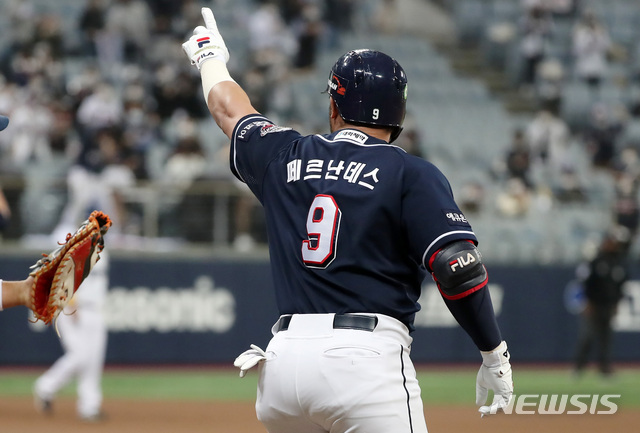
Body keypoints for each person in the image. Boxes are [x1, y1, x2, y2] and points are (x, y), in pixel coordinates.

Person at [182, 8, 513, 432]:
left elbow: (230, 111)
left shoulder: (285, 154)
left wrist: (209, 57)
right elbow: (456, 268)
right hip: (364, 362)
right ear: (399, 113)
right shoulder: (410, 172)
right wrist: (493, 353)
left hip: (282, 365)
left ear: (335, 107)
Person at [33, 250, 109, 422]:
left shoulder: (104, 250)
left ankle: (89, 407)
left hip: (96, 310)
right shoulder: (78, 246)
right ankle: (45, 386)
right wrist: (71, 301)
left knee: (93, 361)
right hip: (73, 308)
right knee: (80, 356)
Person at [573, 228, 628, 378]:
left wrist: (617, 303)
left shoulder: (619, 263)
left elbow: (621, 286)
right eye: (613, 242)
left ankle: (604, 369)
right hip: (594, 305)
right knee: (588, 336)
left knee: (606, 339)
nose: (616, 245)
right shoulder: (597, 261)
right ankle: (579, 367)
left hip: (608, 306)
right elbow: (586, 283)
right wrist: (587, 302)